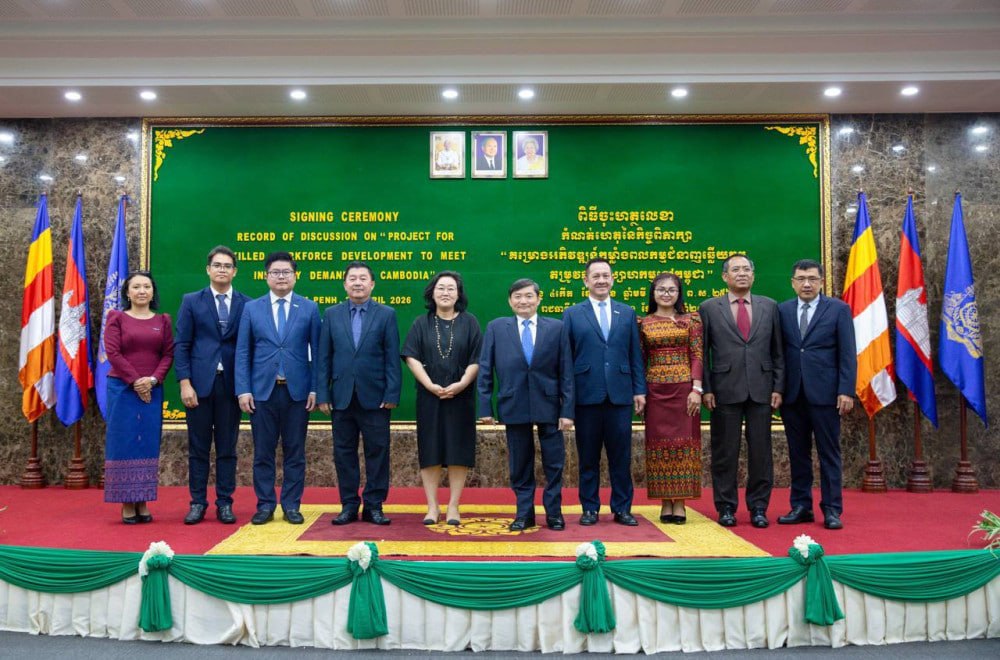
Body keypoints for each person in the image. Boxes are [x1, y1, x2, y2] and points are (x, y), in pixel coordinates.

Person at [477, 278, 574, 531]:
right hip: (513, 402)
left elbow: (566, 372)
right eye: (518, 296)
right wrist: (485, 407)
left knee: (554, 463)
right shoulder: (497, 327)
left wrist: (567, 411)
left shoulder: (557, 328)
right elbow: (485, 369)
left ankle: (554, 513)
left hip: (549, 405)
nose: (524, 301)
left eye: (529, 296)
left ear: (539, 299)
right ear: (510, 301)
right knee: (519, 463)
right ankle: (524, 513)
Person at [698, 254, 784, 528]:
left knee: (761, 452)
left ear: (753, 275)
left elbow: (778, 352)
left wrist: (778, 386)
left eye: (747, 269)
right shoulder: (709, 308)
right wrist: (706, 389)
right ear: (725, 277)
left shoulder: (770, 306)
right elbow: (702, 353)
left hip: (762, 389)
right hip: (724, 390)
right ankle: (726, 507)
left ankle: (758, 507)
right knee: (725, 452)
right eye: (736, 270)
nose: (742, 273)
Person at [235, 251, 320, 526]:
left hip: (298, 393)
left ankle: (292, 505)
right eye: (275, 272)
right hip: (262, 392)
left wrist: (315, 388)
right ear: (266, 276)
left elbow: (318, 352)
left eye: (286, 272)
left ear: (295, 276)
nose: (281, 277)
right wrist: (243, 389)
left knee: (295, 452)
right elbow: (243, 352)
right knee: (263, 452)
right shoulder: (252, 308)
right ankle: (265, 505)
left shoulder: (309, 307)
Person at [562, 258, 646, 526]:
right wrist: (567, 400)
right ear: (585, 280)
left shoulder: (627, 312)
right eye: (596, 276)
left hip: (620, 396)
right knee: (588, 457)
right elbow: (566, 359)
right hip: (586, 396)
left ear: (613, 279)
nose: (601, 280)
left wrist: (639, 390)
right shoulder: (572, 313)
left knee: (621, 457)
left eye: (606, 276)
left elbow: (634, 354)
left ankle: (622, 508)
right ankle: (590, 508)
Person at [317, 261, 401, 526]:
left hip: (376, 397)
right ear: (345, 284)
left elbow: (391, 357)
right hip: (341, 396)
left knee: (378, 452)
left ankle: (374, 506)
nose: (357, 283)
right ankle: (349, 505)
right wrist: (323, 394)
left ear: (372, 284)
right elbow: (324, 357)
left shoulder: (386, 314)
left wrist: (392, 393)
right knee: (344, 453)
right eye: (352, 278)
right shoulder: (332, 314)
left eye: (363, 278)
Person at [777, 259, 856, 530]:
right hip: (792, 395)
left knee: (828, 453)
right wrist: (778, 388)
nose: (807, 284)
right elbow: (779, 354)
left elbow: (847, 353)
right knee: (797, 453)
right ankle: (801, 506)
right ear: (793, 283)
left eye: (812, 279)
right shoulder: (783, 310)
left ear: (821, 282)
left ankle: (832, 509)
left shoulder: (838, 309)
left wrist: (846, 390)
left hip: (826, 394)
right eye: (801, 279)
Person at [174, 246, 249, 525]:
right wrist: (185, 383)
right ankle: (197, 502)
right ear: (208, 269)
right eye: (217, 265)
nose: (222, 270)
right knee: (198, 448)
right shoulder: (191, 301)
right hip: (199, 386)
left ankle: (225, 503)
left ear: (234, 271)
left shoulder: (246, 303)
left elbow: (249, 348)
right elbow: (182, 345)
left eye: (227, 266)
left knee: (227, 448)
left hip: (231, 387)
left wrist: (245, 387)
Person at [402, 271, 482, 526]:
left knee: (458, 450)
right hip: (429, 397)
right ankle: (432, 506)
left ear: (458, 294)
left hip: (461, 397)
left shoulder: (470, 322)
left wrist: (461, 384)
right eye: (441, 288)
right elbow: (411, 357)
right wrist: (429, 385)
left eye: (451, 288)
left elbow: (477, 359)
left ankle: (454, 506)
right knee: (431, 450)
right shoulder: (421, 323)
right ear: (432, 292)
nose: (445, 293)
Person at [103, 271, 174, 524]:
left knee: (147, 443)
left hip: (152, 390)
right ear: (127, 292)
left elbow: (168, 354)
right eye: (136, 287)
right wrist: (135, 381)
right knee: (124, 442)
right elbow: (113, 353)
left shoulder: (163, 320)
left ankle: (142, 499)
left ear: (153, 292)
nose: (142, 291)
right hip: (122, 389)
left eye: (146, 286)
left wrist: (152, 380)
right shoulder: (117, 318)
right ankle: (126, 502)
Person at [639, 273, 703, 525]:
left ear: (679, 294)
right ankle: (665, 502)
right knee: (658, 446)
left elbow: (697, 355)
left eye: (671, 290)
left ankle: (681, 503)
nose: (666, 294)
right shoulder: (643, 323)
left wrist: (696, 389)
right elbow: (640, 360)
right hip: (655, 392)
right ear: (653, 293)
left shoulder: (691, 320)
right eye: (661, 290)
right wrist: (640, 392)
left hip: (684, 392)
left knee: (684, 445)